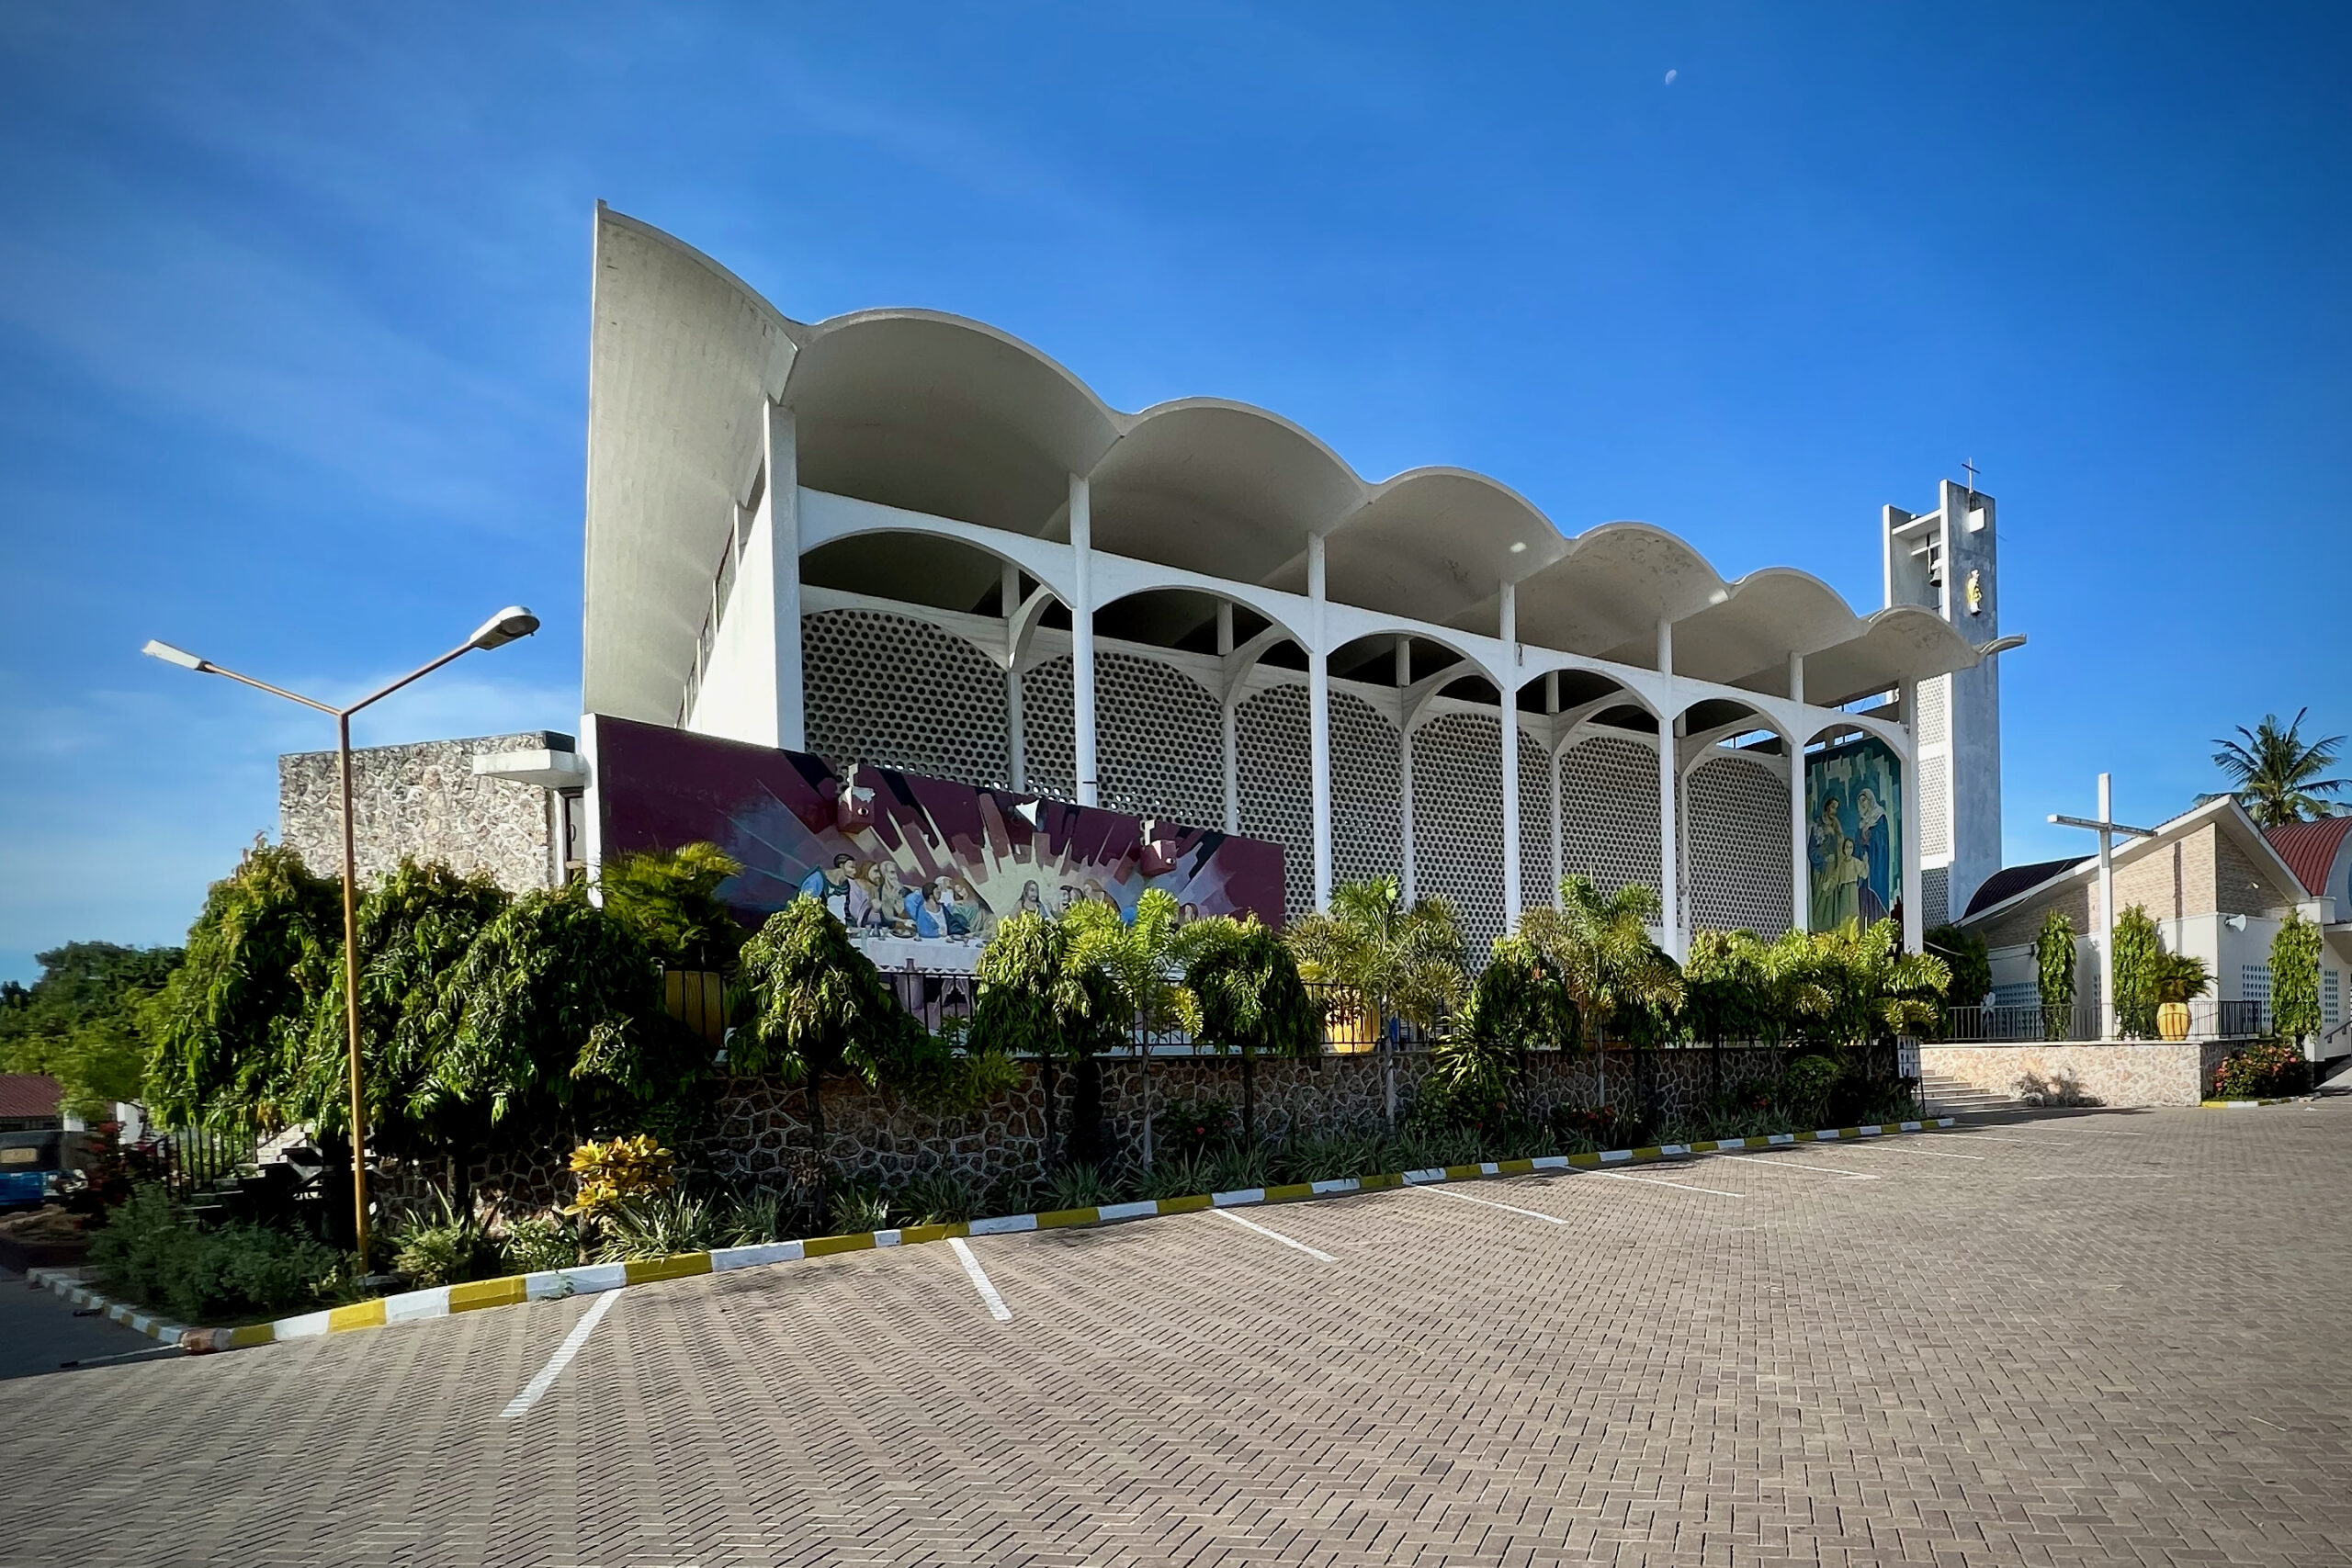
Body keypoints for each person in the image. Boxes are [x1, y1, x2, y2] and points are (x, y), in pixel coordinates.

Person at [797, 854, 857, 925]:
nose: (855, 871)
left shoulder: (845, 885)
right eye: (851, 867)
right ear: (841, 866)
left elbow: (846, 911)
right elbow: (806, 906)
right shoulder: (817, 879)